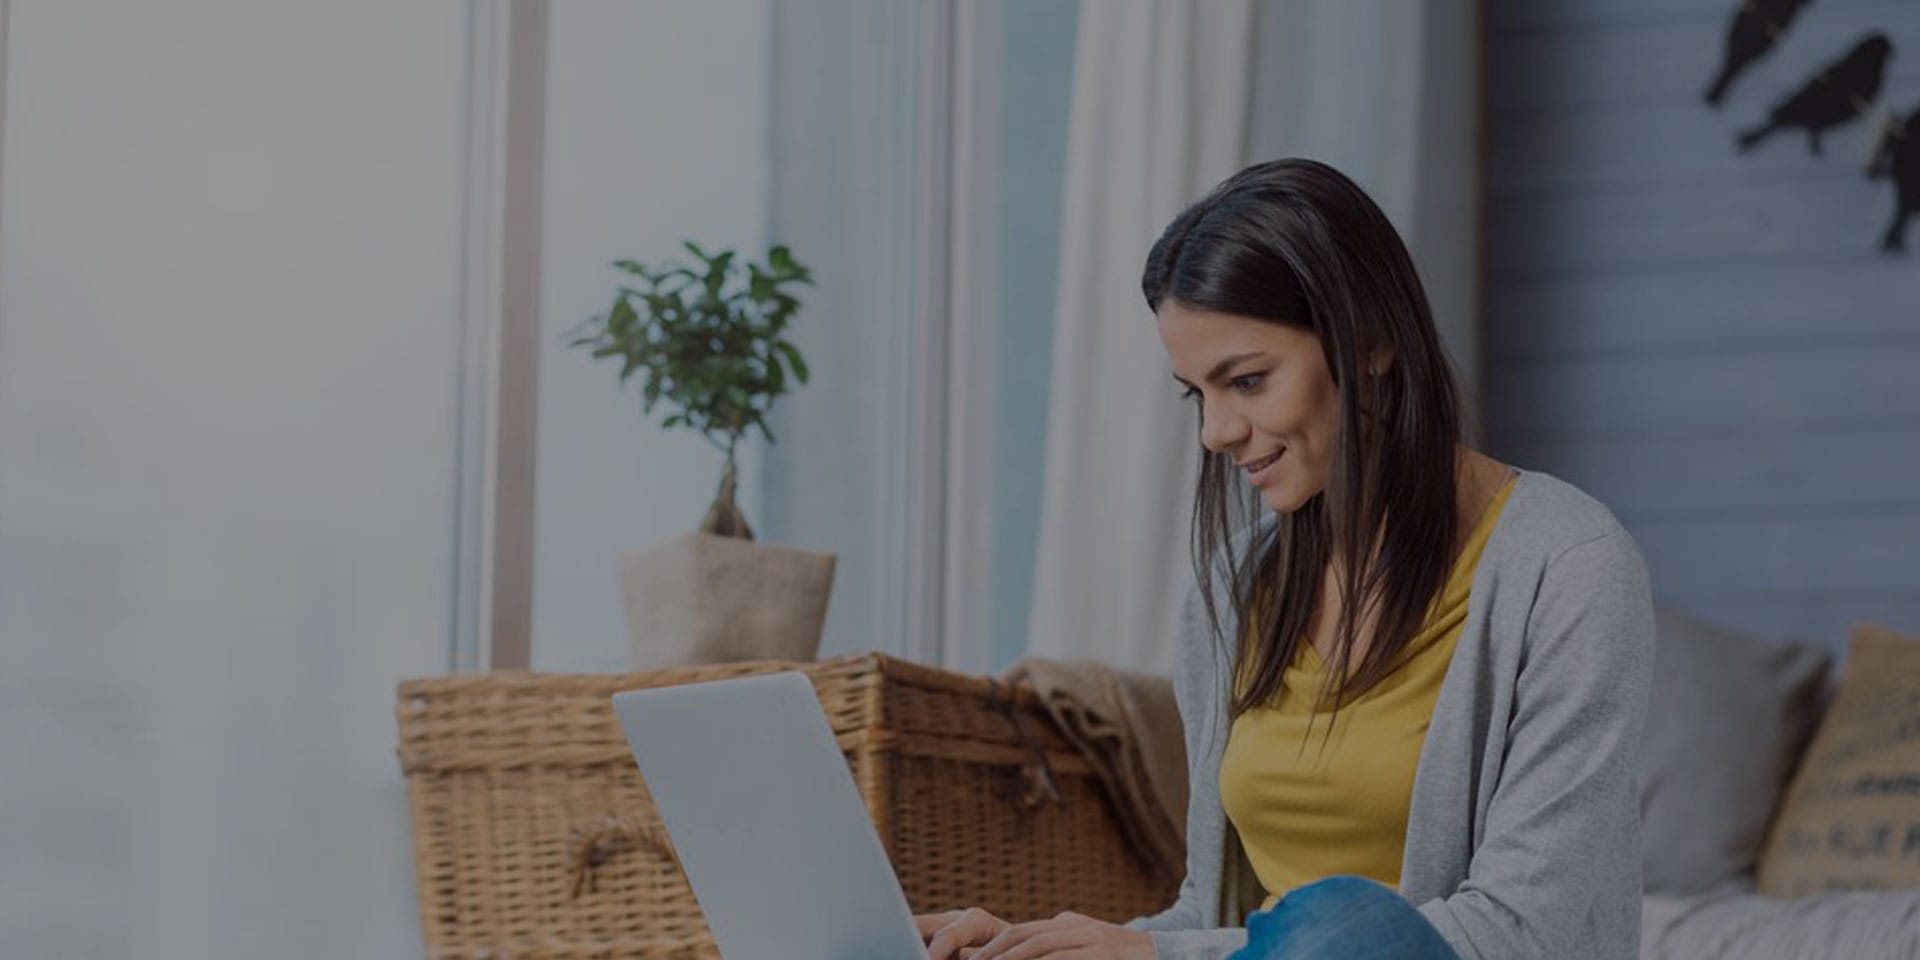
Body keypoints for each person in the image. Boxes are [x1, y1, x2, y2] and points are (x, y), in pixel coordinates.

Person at [916, 158, 1654, 960]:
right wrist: (1045, 946)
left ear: (1370, 342)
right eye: (1199, 394)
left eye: (1249, 380)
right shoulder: (1234, 590)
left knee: (1340, 922)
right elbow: (1214, 916)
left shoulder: (1570, 568)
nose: (1216, 432)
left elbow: (1516, 933)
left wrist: (1168, 958)